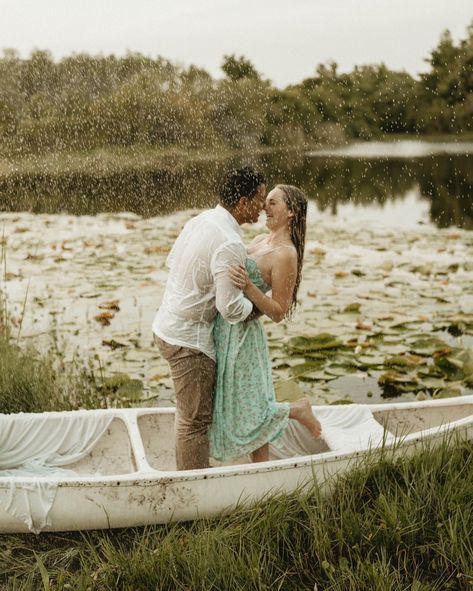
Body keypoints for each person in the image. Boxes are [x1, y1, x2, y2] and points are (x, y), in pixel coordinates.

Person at [152, 167, 267, 470]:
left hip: (165, 325)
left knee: (188, 415)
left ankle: (192, 477)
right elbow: (229, 308)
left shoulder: (201, 220)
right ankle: (194, 497)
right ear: (243, 202)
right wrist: (258, 309)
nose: (264, 206)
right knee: (194, 423)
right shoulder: (230, 242)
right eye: (260, 198)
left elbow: (172, 262)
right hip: (189, 342)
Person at [209, 184, 322, 463]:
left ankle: (298, 410)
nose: (264, 207)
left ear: (291, 213)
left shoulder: (287, 254)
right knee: (239, 402)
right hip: (227, 328)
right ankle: (263, 472)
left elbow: (279, 311)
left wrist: (248, 286)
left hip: (246, 335)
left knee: (252, 407)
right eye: (265, 201)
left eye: (272, 203)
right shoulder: (261, 239)